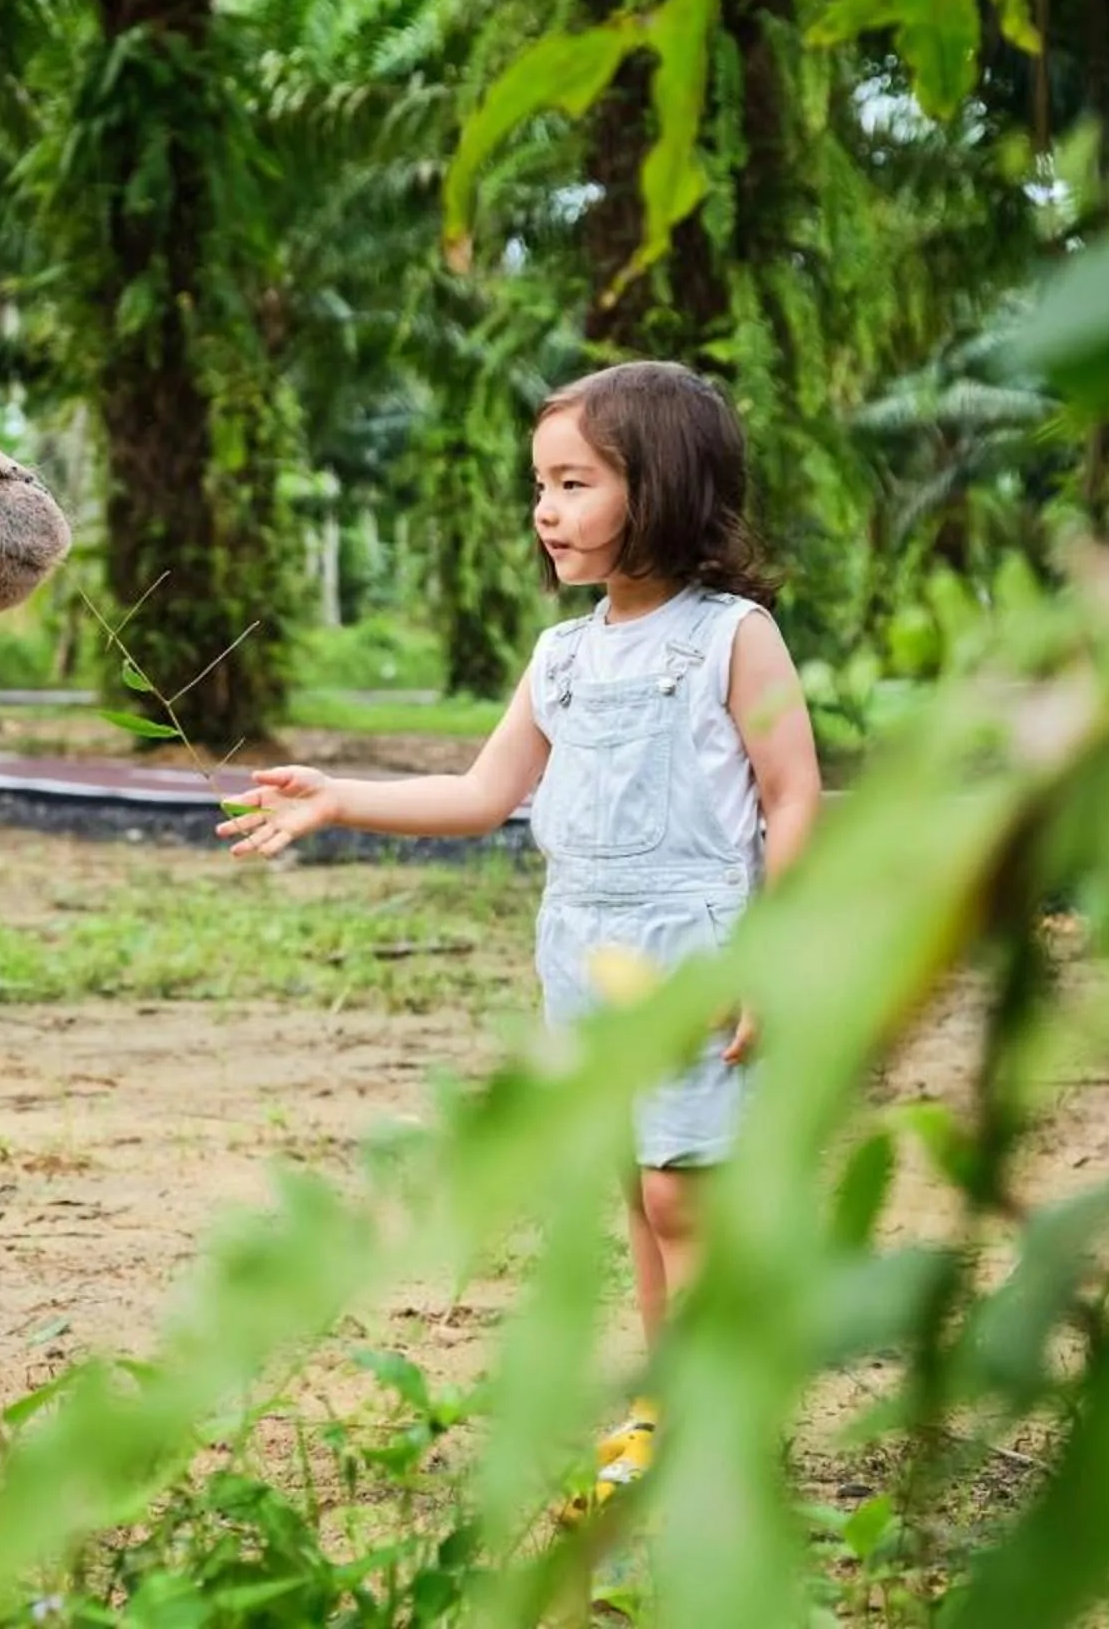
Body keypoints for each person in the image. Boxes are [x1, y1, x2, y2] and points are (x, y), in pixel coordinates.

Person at [217, 359, 823, 1503]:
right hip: (584, 955)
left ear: (663, 487)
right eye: (540, 485)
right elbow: (484, 792)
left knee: (685, 1193)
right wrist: (339, 796)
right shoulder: (563, 654)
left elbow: (791, 790)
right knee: (639, 1194)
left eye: (574, 482)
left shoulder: (734, 637)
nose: (546, 509)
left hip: (699, 947)